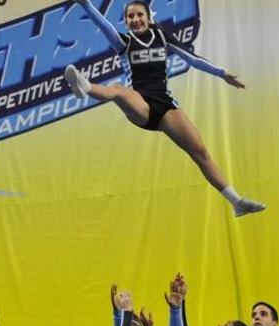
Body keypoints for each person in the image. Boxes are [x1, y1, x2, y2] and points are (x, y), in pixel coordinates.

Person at [65, 0, 266, 217]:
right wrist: (86, 5)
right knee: (117, 90)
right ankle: (84, 85)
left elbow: (192, 59)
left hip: (166, 105)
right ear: (125, 22)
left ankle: (237, 202)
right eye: (130, 17)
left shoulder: (162, 36)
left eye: (139, 15)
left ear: (148, 17)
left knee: (200, 152)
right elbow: (105, 27)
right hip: (140, 103)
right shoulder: (124, 43)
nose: (135, 20)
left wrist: (222, 73)